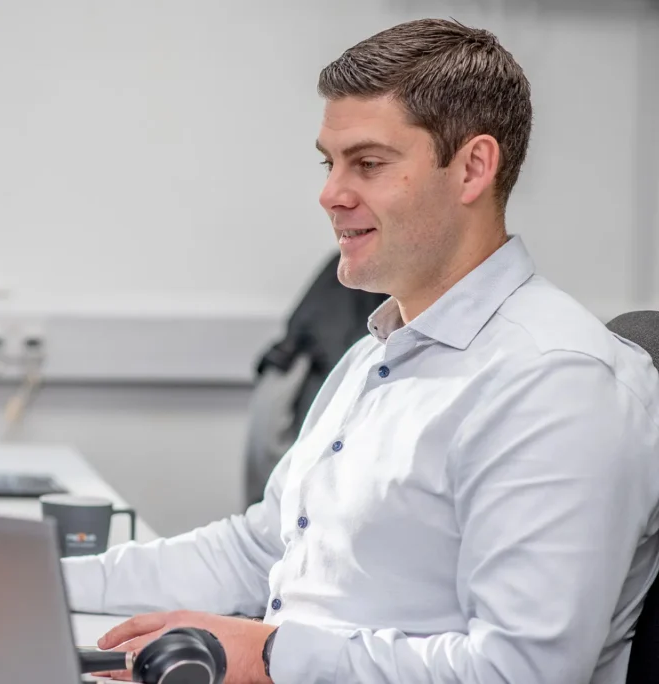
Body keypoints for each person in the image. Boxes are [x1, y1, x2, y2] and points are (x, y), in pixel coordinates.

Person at [62, 18, 659, 684]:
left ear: (472, 168)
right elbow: (259, 551)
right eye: (330, 163)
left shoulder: (557, 381)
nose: (331, 194)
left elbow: (518, 671)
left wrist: (268, 656)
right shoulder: (374, 356)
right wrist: (41, 581)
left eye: (368, 164)